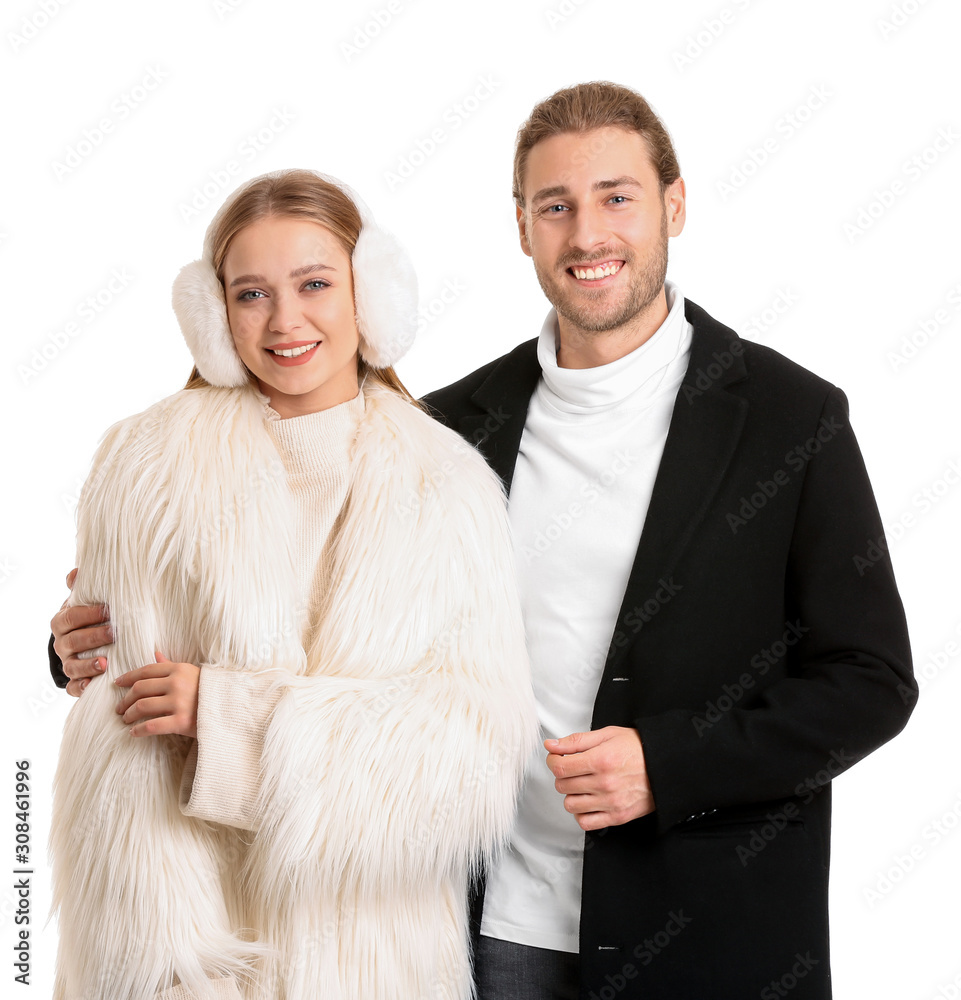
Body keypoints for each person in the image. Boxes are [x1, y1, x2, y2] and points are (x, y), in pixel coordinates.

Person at [51, 85, 917, 999]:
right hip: (480, 925)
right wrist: (83, 638)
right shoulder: (456, 426)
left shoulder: (791, 420)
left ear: (674, 203)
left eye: (615, 197)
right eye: (555, 206)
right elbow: (286, 581)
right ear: (521, 228)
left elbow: (870, 681)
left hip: (702, 925)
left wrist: (672, 764)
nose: (586, 235)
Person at [47, 168, 536, 1000]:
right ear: (212, 316)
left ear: (370, 295)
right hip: (194, 952)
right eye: (250, 294)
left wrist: (229, 716)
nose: (285, 321)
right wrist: (176, 973)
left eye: (314, 283)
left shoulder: (448, 486)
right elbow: (118, 747)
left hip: (375, 959)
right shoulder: (148, 470)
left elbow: (471, 756)